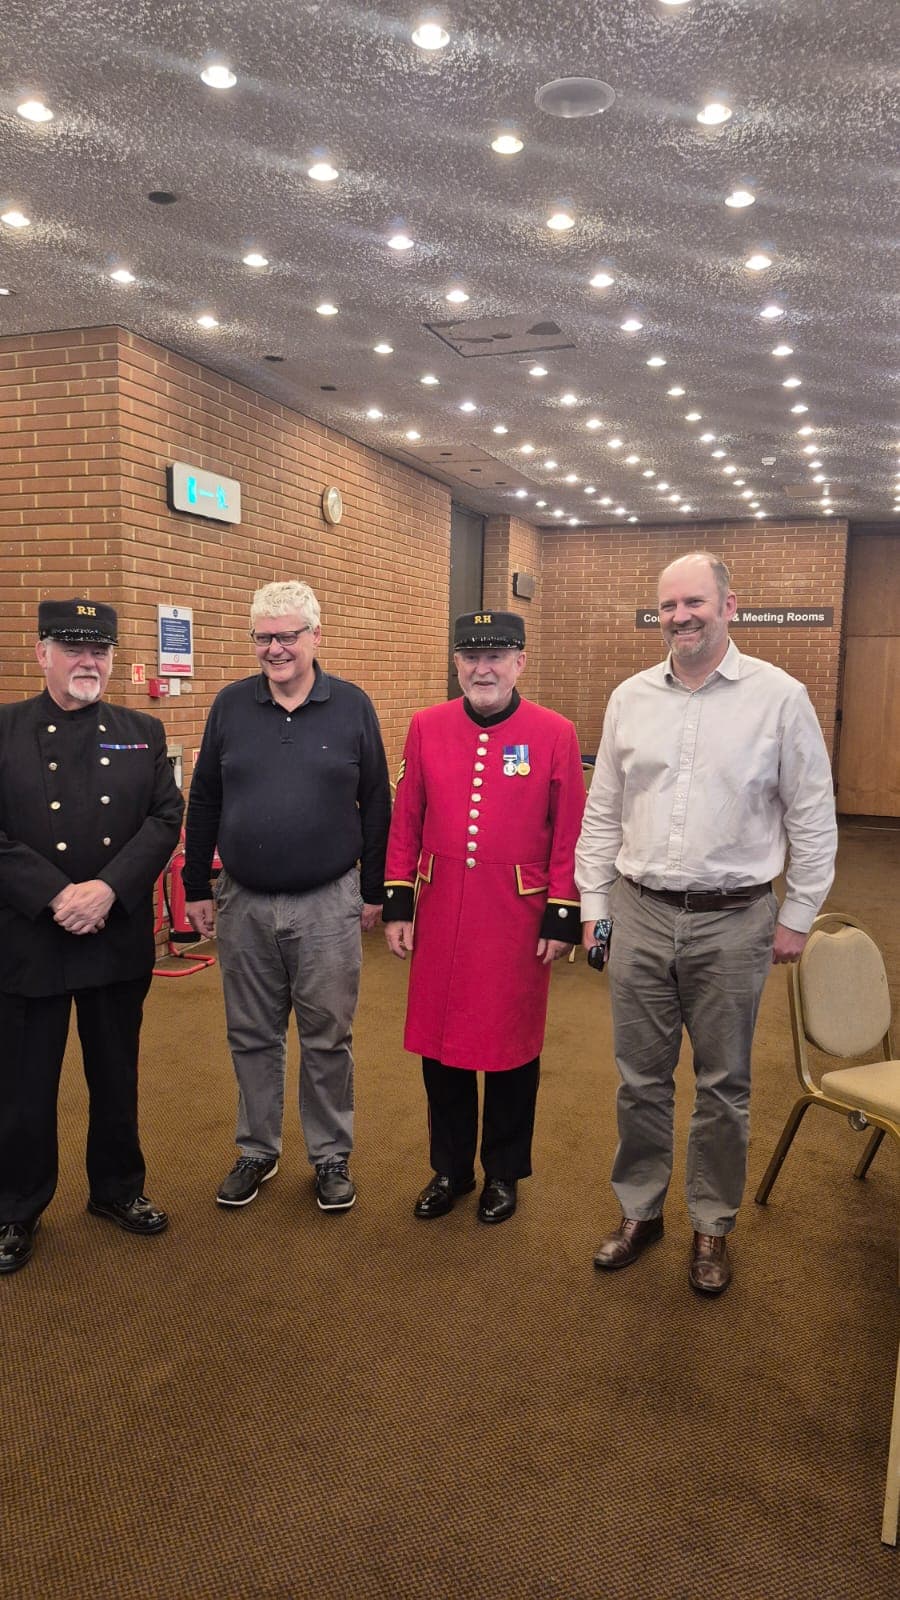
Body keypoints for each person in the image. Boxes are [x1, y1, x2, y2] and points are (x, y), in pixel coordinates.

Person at [576, 552, 838, 1295]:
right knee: (639, 1079)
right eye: (668, 606)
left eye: (695, 602)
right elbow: (604, 813)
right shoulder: (631, 697)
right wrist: (595, 907)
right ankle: (641, 1211)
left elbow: (812, 816)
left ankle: (712, 1224)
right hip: (639, 913)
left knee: (725, 1085)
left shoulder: (780, 698)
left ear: (730, 606)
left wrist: (798, 914)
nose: (680, 616)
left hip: (736, 921)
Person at [183, 580, 390, 1214]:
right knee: (251, 1033)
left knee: (328, 1036)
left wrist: (377, 891)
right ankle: (257, 1149)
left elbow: (378, 803)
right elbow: (207, 798)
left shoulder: (352, 706)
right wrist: (196, 885)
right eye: (264, 637)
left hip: (329, 900)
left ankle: (330, 1156)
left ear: (315, 637)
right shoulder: (230, 706)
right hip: (242, 900)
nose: (276, 648)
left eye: (287, 636)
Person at [0, 598, 184, 1275]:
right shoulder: (5, 729)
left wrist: (108, 889)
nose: (89, 661)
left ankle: (117, 1189)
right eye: (73, 647)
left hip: (112, 933)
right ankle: (15, 1207)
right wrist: (54, 895)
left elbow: (165, 817)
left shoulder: (141, 729)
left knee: (116, 1075)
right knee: (22, 1084)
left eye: (100, 649)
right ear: (41, 652)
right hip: (29, 937)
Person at [383, 610, 585, 1225]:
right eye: (471, 657)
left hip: (516, 918)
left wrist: (562, 912)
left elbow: (569, 832)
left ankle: (503, 1172)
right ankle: (449, 1168)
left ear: (520, 661)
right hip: (442, 911)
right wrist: (398, 901)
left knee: (510, 1050)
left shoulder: (554, 732)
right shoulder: (426, 726)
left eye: (497, 655)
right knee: (442, 1050)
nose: (483, 667)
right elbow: (406, 820)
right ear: (457, 664)